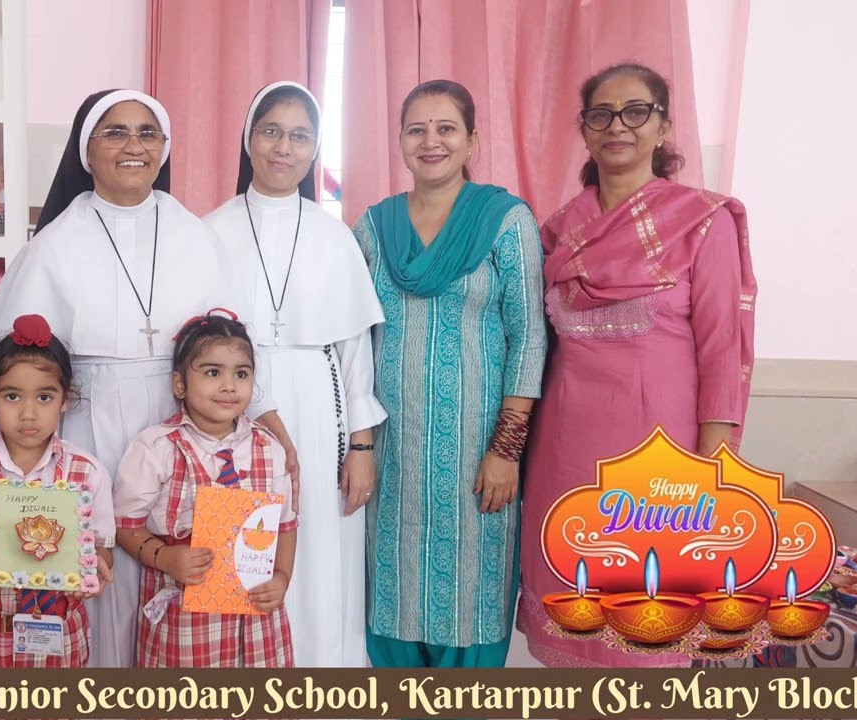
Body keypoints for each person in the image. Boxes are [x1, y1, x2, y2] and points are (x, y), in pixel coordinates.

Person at [0, 89, 285, 668]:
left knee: (171, 566)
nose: (133, 145)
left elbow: (230, 352)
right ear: (86, 151)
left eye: (148, 133)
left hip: (181, 429)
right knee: (89, 572)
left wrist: (272, 424)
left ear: (164, 148)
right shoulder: (54, 244)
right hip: (82, 428)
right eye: (115, 132)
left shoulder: (198, 237)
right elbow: (12, 370)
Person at [517, 62, 756, 668]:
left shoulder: (701, 221)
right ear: (585, 130)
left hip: (660, 454)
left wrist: (713, 466)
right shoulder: (557, 232)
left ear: (663, 126)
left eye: (635, 112)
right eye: (601, 115)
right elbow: (533, 344)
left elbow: (722, 348)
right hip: (564, 449)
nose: (617, 126)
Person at [354, 80, 546, 669]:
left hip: (478, 453)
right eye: (417, 129)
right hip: (392, 453)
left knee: (472, 596)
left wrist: (506, 449)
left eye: (446, 129)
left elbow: (529, 335)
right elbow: (352, 340)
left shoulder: (504, 220)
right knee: (390, 593)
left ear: (471, 141)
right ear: (400, 141)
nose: (430, 141)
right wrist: (358, 445)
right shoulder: (374, 226)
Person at [204, 81, 384, 667]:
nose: (284, 148)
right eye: (272, 132)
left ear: (315, 149)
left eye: (301, 136)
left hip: (319, 411)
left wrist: (361, 446)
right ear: (248, 139)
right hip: (229, 408)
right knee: (241, 548)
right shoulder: (208, 230)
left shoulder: (335, 234)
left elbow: (355, 351)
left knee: (320, 549)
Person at [114, 309, 296, 667]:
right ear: (179, 384)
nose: (229, 385)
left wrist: (282, 576)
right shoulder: (158, 447)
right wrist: (165, 558)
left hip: (255, 615)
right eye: (213, 372)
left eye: (241, 374)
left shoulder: (268, 448)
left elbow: (286, 525)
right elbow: (124, 525)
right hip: (185, 620)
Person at [0, 314, 115, 668]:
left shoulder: (88, 473)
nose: (28, 413)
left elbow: (101, 548)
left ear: (65, 399)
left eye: (45, 397)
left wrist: (96, 567)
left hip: (61, 635)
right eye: (12, 396)